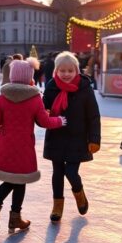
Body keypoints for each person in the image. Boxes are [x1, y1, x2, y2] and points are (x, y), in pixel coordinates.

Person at [0, 59, 66, 234]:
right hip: (24, 147)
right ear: (29, 78)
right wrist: (59, 120)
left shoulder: (2, 98)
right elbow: (44, 121)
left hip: (5, 146)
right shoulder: (34, 99)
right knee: (19, 180)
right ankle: (2, 211)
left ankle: (5, 213)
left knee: (14, 180)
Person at [42, 52, 100, 222]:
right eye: (62, 70)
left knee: (71, 171)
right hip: (56, 136)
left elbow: (93, 116)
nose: (66, 74)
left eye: (70, 70)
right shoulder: (51, 87)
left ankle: (79, 192)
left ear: (76, 70)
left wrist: (94, 138)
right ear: (56, 71)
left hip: (78, 138)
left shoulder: (84, 88)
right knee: (57, 173)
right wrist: (44, 114)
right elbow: (43, 112)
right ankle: (57, 206)